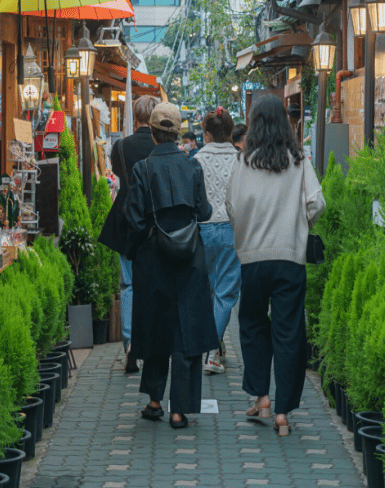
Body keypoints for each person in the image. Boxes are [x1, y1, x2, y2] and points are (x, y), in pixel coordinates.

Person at [226, 95, 325, 437]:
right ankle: (283, 413)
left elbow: (231, 206)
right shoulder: (299, 160)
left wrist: (248, 234)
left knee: (252, 325)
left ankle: (261, 397)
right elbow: (316, 202)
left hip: (252, 258)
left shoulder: (242, 162)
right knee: (289, 333)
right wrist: (298, 224)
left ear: (253, 123)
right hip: (289, 259)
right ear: (284, 122)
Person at [123, 103, 219, 429]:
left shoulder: (141, 169)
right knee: (186, 330)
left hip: (153, 259)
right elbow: (203, 211)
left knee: (155, 327)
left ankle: (154, 401)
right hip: (190, 257)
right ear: (178, 133)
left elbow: (134, 220)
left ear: (151, 132)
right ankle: (180, 410)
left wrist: (137, 247)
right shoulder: (193, 167)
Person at [98, 95, 161, 373]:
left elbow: (115, 173)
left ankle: (129, 343)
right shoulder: (162, 146)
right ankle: (150, 341)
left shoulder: (121, 146)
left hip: (125, 220)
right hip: (155, 221)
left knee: (129, 285)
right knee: (153, 285)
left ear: (134, 118)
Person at [193, 107, 241, 374]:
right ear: (231, 132)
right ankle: (213, 352)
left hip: (201, 230)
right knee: (226, 292)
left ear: (206, 133)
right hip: (232, 230)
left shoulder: (195, 159)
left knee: (207, 291)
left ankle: (211, 346)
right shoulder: (241, 159)